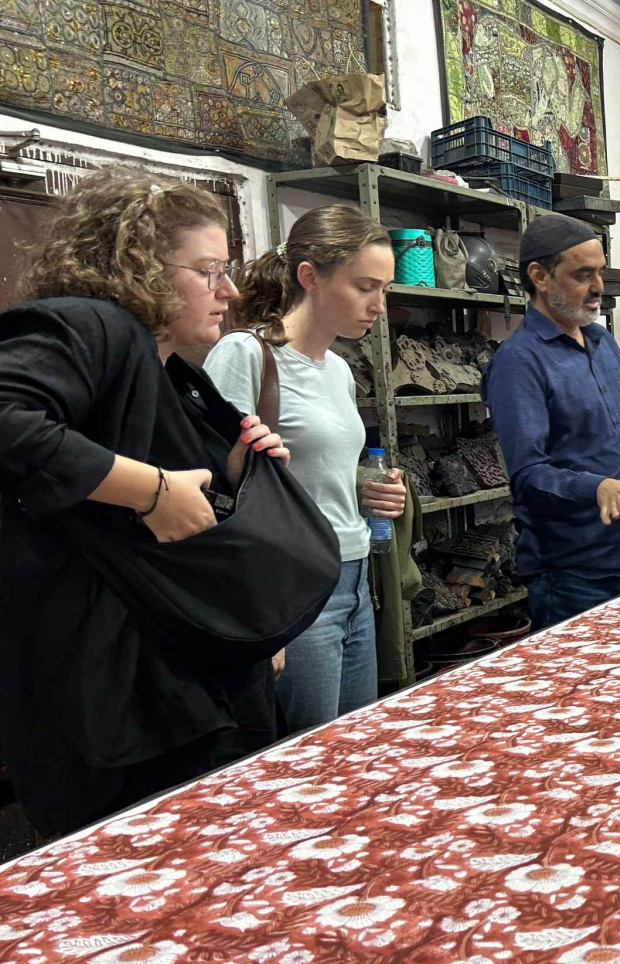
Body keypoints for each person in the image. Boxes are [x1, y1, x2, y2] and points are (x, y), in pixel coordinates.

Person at [0, 167, 288, 837]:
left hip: (186, 673)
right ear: (141, 268)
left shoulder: (177, 375)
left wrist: (235, 470)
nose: (230, 291)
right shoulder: (90, 326)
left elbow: (185, 501)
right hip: (115, 699)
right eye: (209, 271)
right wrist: (153, 489)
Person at [204, 206, 402, 734]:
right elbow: (213, 484)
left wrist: (365, 490)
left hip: (357, 576)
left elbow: (315, 470)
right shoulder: (245, 355)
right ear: (309, 277)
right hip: (293, 585)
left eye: (383, 289)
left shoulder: (337, 369)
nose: (378, 305)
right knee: (309, 759)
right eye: (365, 286)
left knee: (353, 746)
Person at [484, 215, 620, 629]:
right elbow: (528, 474)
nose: (598, 288)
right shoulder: (519, 362)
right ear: (539, 276)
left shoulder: (601, 342)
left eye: (601, 273)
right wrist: (597, 487)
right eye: (583, 275)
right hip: (572, 574)